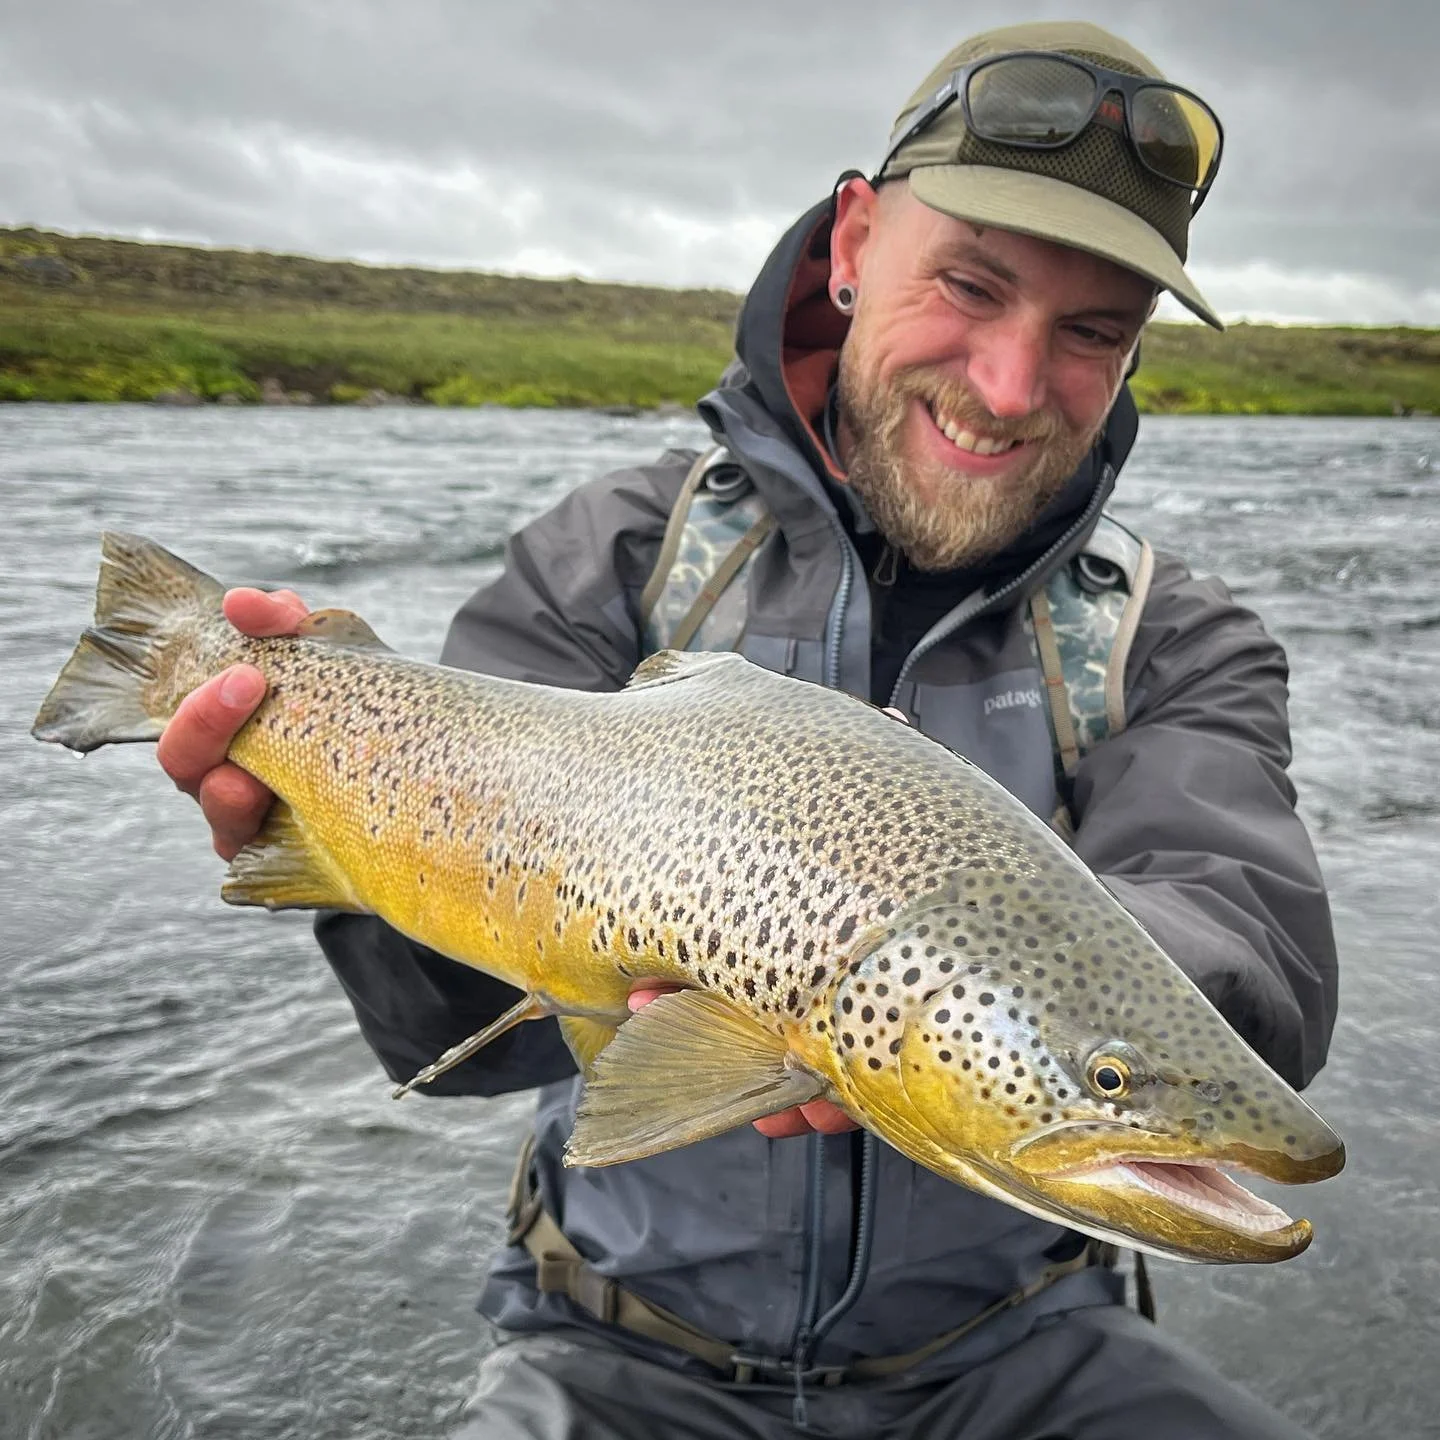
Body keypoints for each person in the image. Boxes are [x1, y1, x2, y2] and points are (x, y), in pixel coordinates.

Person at [157, 20, 1339, 1440]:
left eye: (1094, 333)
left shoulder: (1177, 638)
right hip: (611, 1353)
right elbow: (442, 1043)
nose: (1013, 387)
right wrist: (327, 839)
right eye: (969, 287)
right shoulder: (619, 554)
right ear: (852, 245)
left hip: (1020, 1356)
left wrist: (1006, 989)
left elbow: (1249, 947)